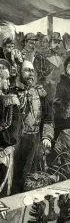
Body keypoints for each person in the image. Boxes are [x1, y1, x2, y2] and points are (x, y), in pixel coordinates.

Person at [11, 60, 54, 194]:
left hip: (35, 140)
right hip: (17, 142)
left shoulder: (39, 92)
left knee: (34, 178)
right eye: (27, 70)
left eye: (32, 70)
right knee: (16, 179)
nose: (31, 74)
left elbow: (49, 116)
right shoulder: (11, 93)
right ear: (19, 72)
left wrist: (47, 137)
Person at [0, 64, 22, 196]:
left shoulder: (10, 102)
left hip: (3, 153)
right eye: (6, 79)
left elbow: (15, 133)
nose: (8, 82)